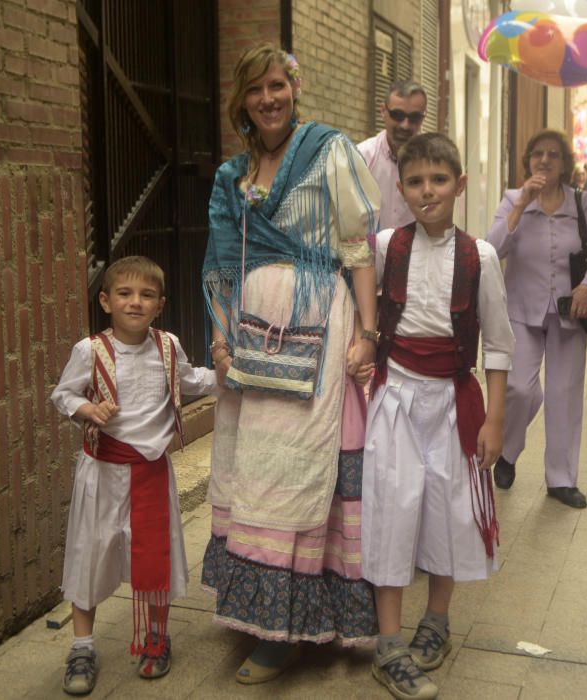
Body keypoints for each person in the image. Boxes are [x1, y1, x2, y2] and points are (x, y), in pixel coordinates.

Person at [201, 44, 381, 683]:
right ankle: (259, 613)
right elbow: (222, 267)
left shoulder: (329, 150)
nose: (268, 99)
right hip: (252, 341)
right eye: (255, 89)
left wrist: (368, 331)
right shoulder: (231, 177)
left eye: (277, 86)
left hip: (319, 328)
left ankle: (292, 629)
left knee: (304, 468)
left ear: (293, 89)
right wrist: (220, 342)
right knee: (257, 467)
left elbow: (357, 247)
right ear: (241, 100)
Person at [360, 133, 514, 700]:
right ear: (400, 188)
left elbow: (498, 345)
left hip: (453, 403)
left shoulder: (481, 257)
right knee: (393, 510)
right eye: (417, 182)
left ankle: (437, 621)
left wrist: (493, 420)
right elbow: (365, 316)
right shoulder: (383, 247)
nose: (428, 191)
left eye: (439, 180)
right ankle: (389, 645)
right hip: (395, 397)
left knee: (450, 509)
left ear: (460, 185)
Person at [51, 256, 218, 695]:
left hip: (150, 472)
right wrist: (88, 409)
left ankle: (156, 638)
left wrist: (230, 376)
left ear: (160, 304)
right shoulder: (91, 351)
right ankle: (83, 646)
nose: (135, 302)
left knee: (155, 555)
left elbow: (191, 380)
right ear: (105, 300)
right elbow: (62, 394)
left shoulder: (167, 346)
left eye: (146, 295)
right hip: (103, 472)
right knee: (91, 553)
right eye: (124, 293)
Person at [487, 129, 587, 508]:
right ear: (527, 161)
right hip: (522, 311)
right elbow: (490, 250)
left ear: (564, 164)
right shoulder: (512, 199)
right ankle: (507, 451)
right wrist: (522, 204)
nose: (544, 160)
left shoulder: (582, 202)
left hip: (570, 313)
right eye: (537, 154)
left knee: (565, 395)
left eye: (553, 155)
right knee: (519, 389)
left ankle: (561, 479)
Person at [358, 80, 428, 232]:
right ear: (383, 110)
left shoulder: (433, 162)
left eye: (414, 117)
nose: (405, 125)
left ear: (423, 117)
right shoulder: (361, 158)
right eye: (398, 115)